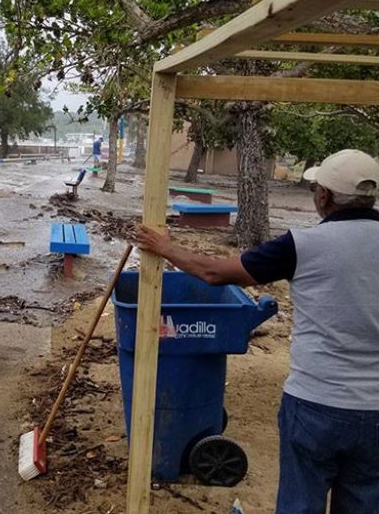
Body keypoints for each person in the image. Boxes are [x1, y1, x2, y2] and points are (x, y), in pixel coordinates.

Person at [136, 149, 379, 514]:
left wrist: (167, 248)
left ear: (325, 196)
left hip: (315, 402)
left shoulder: (302, 246)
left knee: (300, 504)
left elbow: (215, 273)